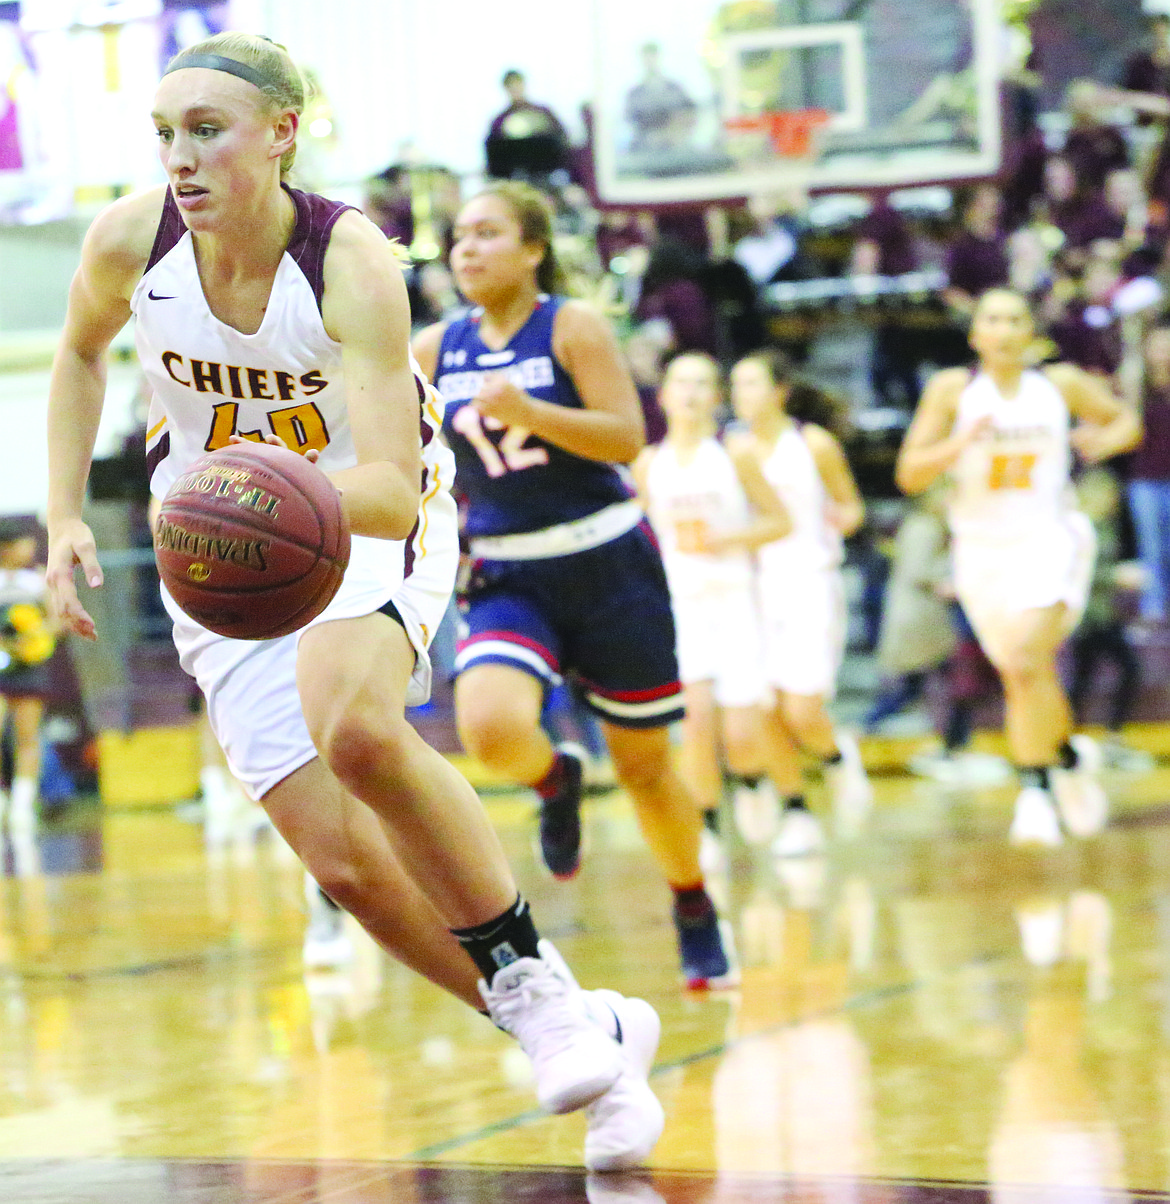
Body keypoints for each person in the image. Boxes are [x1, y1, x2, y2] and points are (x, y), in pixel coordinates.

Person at [43, 32, 662, 1172]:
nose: (180, 156)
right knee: (345, 871)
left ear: (283, 132)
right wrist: (67, 512)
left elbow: (379, 481)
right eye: (165, 133)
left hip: (372, 514)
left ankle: (531, 976)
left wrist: (263, 491)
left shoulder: (351, 259)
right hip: (224, 545)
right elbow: (80, 356)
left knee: (358, 724)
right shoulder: (131, 241)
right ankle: (574, 1021)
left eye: (208, 129)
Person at [413, 180, 738, 990]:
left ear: (533, 249)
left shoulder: (574, 327)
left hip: (607, 563)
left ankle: (693, 903)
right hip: (506, 566)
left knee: (645, 770)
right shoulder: (433, 350)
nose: (467, 249)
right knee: (487, 727)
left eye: (488, 233)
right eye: (459, 236)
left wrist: (530, 411)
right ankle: (556, 778)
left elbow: (627, 438)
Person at [895, 287, 1141, 846]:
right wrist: (958, 442)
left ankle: (1035, 789)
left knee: (1030, 657)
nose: (1004, 330)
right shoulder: (952, 391)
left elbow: (1127, 421)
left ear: (1031, 331)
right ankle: (1068, 755)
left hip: (1049, 537)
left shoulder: (1060, 384)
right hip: (980, 548)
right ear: (975, 333)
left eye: (1015, 320)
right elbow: (909, 473)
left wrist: (1104, 440)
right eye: (993, 319)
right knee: (1023, 672)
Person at [631, 352, 791, 856]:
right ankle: (706, 828)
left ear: (716, 397)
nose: (692, 392)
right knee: (696, 721)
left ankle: (752, 781)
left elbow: (779, 521)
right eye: (682, 382)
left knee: (743, 732)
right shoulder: (648, 463)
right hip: (680, 607)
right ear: (664, 395)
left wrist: (731, 539)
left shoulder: (736, 454)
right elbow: (639, 535)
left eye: (703, 383)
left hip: (735, 602)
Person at [726, 355, 873, 857]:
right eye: (736, 385)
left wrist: (843, 518)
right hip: (749, 586)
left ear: (779, 391)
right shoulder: (729, 448)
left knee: (801, 706)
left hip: (809, 579)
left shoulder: (813, 443)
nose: (741, 393)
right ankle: (796, 809)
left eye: (751, 382)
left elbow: (853, 506)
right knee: (764, 705)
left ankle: (836, 757)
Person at [0, 518, 57, 832]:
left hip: (30, 666)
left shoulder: (37, 580)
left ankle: (23, 800)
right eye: (23, 542)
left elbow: (57, 623)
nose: (31, 548)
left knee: (27, 733)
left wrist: (33, 637)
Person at [484, 70, 569, 184]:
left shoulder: (543, 113)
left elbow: (562, 138)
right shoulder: (499, 121)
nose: (516, 89)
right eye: (511, 86)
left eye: (518, 84)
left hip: (548, 175)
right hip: (514, 178)